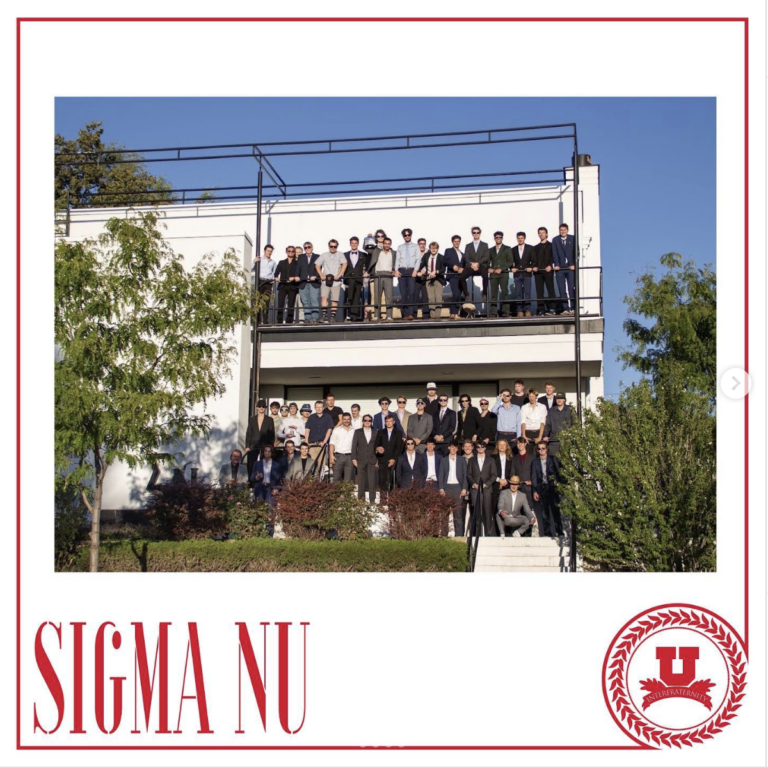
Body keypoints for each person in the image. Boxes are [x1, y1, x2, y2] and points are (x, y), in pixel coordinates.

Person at [531, 443, 564, 539]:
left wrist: (560, 484)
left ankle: (560, 532)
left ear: (547, 449)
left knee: (555, 510)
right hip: (542, 488)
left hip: (553, 487)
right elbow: (534, 477)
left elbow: (559, 472)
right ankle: (547, 533)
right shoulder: (535, 462)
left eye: (543, 448)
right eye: (539, 448)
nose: (541, 450)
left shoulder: (553, 459)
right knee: (544, 513)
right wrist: (535, 491)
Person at [438, 440, 468, 536]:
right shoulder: (443, 460)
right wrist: (441, 488)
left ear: (457, 449)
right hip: (447, 488)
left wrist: (464, 488)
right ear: (449, 448)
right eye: (452, 447)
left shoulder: (462, 460)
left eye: (455, 447)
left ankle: (459, 536)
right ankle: (444, 535)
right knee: (445, 513)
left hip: (458, 488)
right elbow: (441, 475)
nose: (453, 449)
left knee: (458, 514)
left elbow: (465, 475)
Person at [467, 442, 497, 536]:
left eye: (482, 446)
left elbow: (494, 475)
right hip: (475, 490)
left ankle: (488, 536)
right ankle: (478, 536)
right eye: (478, 447)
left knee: (487, 514)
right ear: (476, 448)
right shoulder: (471, 460)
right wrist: (473, 484)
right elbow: (469, 475)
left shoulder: (491, 460)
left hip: (486, 490)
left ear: (485, 448)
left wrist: (486, 484)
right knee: (477, 515)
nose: (480, 448)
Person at [316, 239, 347, 323]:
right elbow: (317, 264)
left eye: (335, 246)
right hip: (325, 281)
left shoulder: (340, 254)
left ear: (337, 246)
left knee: (334, 299)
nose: (333, 248)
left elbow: (345, 264)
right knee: (324, 298)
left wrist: (339, 275)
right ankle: (324, 316)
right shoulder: (324, 255)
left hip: (336, 281)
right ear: (328, 246)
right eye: (331, 246)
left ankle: (333, 317)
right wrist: (321, 275)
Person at [244, 399, 275, 478]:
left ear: (265, 408)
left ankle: (264, 480)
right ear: (257, 407)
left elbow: (271, 434)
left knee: (264, 465)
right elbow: (249, 433)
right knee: (251, 465)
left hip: (265, 446)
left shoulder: (269, 420)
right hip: (253, 446)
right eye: (259, 406)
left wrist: (270, 447)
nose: (261, 408)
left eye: (263, 406)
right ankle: (251, 481)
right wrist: (247, 446)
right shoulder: (252, 419)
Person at [395, 228, 421, 320]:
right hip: (402, 270)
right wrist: (396, 270)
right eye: (405, 235)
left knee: (412, 292)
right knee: (403, 292)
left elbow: (418, 259)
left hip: (411, 270)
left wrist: (415, 270)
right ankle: (405, 314)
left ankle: (411, 313)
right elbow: (397, 259)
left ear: (411, 235)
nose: (407, 236)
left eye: (408, 235)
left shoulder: (415, 246)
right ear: (403, 236)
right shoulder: (400, 247)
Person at [374, 413, 404, 495]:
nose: (389, 423)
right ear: (385, 422)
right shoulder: (380, 432)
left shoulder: (398, 433)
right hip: (382, 459)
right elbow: (376, 444)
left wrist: (394, 459)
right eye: (387, 421)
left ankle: (391, 500)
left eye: (390, 421)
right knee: (382, 480)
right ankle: (383, 499)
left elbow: (399, 447)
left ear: (394, 422)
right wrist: (378, 448)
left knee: (392, 481)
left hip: (393, 460)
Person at [368, 236, 395, 321]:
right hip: (378, 274)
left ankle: (389, 316)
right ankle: (376, 315)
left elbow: (397, 262)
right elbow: (367, 249)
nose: (387, 245)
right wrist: (369, 238)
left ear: (390, 244)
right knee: (377, 295)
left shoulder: (393, 252)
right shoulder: (377, 251)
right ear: (382, 244)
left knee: (389, 296)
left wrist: (395, 270)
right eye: (385, 243)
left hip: (388, 274)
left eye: (388, 244)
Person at [417, 241, 446, 319]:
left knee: (438, 297)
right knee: (431, 297)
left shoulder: (441, 257)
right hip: (429, 278)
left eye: (435, 248)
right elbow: (421, 265)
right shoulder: (426, 256)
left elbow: (443, 269)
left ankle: (438, 316)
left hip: (438, 279)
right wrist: (418, 271)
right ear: (429, 249)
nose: (433, 250)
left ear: (437, 249)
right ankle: (433, 316)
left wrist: (436, 272)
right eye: (432, 248)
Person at [463, 226, 489, 313]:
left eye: (478, 232)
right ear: (472, 234)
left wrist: (477, 263)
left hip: (480, 265)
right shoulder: (468, 245)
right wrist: (471, 264)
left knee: (485, 275)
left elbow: (486, 257)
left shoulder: (485, 245)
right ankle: (466, 294)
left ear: (480, 233)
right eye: (474, 232)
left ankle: (484, 293)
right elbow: (466, 257)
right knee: (462, 277)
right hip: (471, 266)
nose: (476, 234)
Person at [352, 414, 378, 501]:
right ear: (363, 421)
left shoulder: (375, 432)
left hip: (372, 459)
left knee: (372, 481)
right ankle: (361, 500)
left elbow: (377, 446)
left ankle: (372, 500)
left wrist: (377, 459)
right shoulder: (357, 432)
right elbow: (354, 445)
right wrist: (354, 458)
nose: (367, 422)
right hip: (360, 459)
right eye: (365, 420)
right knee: (361, 481)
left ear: (371, 422)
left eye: (369, 420)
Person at [552, 223, 576, 315]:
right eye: (561, 230)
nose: (563, 231)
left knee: (571, 288)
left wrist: (574, 264)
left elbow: (576, 252)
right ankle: (565, 308)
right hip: (560, 268)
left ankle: (573, 308)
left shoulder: (573, 239)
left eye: (564, 230)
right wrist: (556, 264)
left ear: (567, 230)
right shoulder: (555, 240)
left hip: (570, 268)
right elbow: (554, 253)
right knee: (562, 289)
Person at [488, 231, 513, 317]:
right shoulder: (490, 250)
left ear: (502, 238)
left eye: (500, 237)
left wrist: (501, 269)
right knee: (493, 294)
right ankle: (493, 312)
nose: (498, 238)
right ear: (494, 238)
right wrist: (489, 268)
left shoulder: (507, 248)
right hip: (494, 274)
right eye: (497, 237)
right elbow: (487, 261)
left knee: (504, 292)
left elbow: (510, 261)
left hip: (503, 274)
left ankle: (505, 312)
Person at [533, 226, 556, 317]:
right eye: (540, 233)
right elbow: (534, 259)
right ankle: (540, 309)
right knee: (539, 292)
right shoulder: (536, 247)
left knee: (551, 290)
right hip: (538, 272)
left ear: (546, 234)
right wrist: (534, 266)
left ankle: (552, 309)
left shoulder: (551, 245)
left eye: (543, 233)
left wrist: (550, 265)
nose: (541, 234)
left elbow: (553, 256)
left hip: (548, 271)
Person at [543, 392, 575, 456]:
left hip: (566, 440)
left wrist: (572, 435)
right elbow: (548, 424)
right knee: (554, 459)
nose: (559, 400)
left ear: (564, 400)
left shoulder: (570, 409)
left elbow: (575, 423)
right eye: (558, 398)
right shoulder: (551, 411)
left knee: (566, 459)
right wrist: (545, 435)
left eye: (561, 398)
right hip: (554, 440)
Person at [511, 232, 535, 317]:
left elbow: (534, 260)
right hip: (517, 274)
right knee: (518, 293)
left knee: (527, 292)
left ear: (524, 238)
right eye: (519, 238)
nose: (520, 239)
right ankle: (519, 310)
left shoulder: (530, 248)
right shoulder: (513, 249)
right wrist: (512, 268)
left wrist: (531, 267)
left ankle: (528, 310)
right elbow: (510, 261)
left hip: (526, 273)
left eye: (521, 238)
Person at [274, 246, 300, 324]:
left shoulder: (297, 263)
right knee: (280, 304)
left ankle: (289, 321)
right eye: (289, 251)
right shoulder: (281, 262)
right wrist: (276, 277)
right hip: (283, 285)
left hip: (292, 286)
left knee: (291, 304)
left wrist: (294, 277)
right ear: (286, 252)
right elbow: (276, 273)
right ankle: (279, 321)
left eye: (292, 251)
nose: (291, 252)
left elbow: (299, 274)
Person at [442, 235, 466, 319]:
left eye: (458, 241)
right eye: (455, 241)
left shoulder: (462, 253)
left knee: (458, 294)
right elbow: (445, 261)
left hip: (460, 276)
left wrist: (463, 269)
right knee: (456, 293)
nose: (456, 243)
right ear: (452, 242)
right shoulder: (448, 251)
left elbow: (464, 264)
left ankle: (453, 313)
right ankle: (454, 313)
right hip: (452, 275)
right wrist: (452, 266)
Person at [297, 242, 321, 324]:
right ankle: (307, 318)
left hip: (314, 282)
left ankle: (314, 318)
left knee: (314, 300)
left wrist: (316, 276)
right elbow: (298, 267)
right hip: (303, 282)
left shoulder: (317, 256)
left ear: (312, 247)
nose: (307, 248)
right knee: (305, 301)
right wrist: (296, 276)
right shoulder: (301, 257)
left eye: (309, 247)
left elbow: (319, 268)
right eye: (305, 247)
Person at [343, 237, 366, 321]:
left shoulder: (363, 255)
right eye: (352, 243)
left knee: (357, 296)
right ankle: (349, 300)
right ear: (350, 244)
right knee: (352, 282)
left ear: (358, 244)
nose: (354, 244)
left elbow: (367, 264)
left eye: (355, 243)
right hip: (348, 277)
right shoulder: (345, 254)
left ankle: (354, 315)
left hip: (359, 277)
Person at [253, 244, 277, 324]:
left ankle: (265, 321)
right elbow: (251, 268)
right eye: (268, 251)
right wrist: (254, 262)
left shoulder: (273, 262)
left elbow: (274, 273)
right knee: (258, 301)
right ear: (264, 251)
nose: (269, 252)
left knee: (266, 302)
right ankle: (258, 321)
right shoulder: (259, 259)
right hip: (260, 281)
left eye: (271, 251)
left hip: (268, 283)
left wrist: (273, 279)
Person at [329, 412, 356, 483]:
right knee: (336, 478)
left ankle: (346, 491)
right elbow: (332, 443)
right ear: (342, 420)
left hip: (350, 457)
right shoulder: (336, 430)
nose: (346, 421)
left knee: (348, 480)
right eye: (345, 419)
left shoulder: (354, 431)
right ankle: (336, 491)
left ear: (350, 420)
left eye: (348, 419)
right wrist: (331, 455)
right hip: (338, 456)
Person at [511, 436, 535, 512]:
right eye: (518, 443)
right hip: (519, 487)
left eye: (521, 443)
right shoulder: (514, 458)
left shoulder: (532, 457)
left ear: (525, 444)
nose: (520, 445)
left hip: (529, 487)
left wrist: (532, 481)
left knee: (530, 509)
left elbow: (535, 471)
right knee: (519, 510)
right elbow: (512, 472)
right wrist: (515, 483)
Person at [491, 438, 514, 518]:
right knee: (495, 508)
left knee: (507, 509)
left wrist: (506, 481)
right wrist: (499, 480)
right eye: (500, 444)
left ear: (507, 446)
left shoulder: (511, 458)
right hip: (495, 485)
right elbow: (490, 472)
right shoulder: (492, 458)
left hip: (507, 485)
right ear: (497, 446)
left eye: (504, 445)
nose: (502, 446)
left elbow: (513, 472)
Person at [521, 388, 548, 452]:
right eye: (530, 396)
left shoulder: (542, 407)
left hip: (538, 432)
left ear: (536, 396)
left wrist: (540, 437)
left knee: (539, 451)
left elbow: (542, 422)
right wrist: (524, 435)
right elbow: (523, 422)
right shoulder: (524, 407)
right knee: (528, 452)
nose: (531, 398)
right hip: (528, 432)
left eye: (533, 396)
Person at [414, 237, 429, 319]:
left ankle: (426, 315)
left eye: (424, 244)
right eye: (421, 244)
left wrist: (424, 271)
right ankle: (414, 314)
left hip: (425, 277)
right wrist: (417, 271)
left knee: (425, 297)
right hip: (416, 277)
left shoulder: (428, 252)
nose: (422, 245)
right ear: (418, 244)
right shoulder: (415, 252)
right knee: (415, 296)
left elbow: (430, 263)